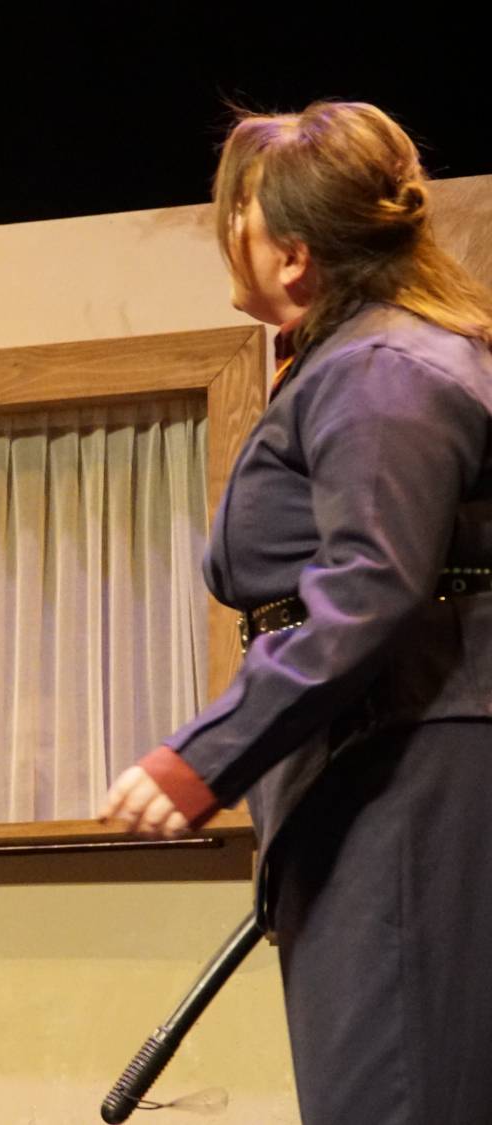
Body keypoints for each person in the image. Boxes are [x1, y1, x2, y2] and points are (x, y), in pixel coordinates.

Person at [101, 101, 492, 1124]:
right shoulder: (355, 358)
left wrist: (204, 755)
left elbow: (370, 583)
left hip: (403, 767)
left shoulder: (382, 368)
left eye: (238, 212)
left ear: (294, 253)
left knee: (396, 1086)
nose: (225, 230)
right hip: (373, 759)